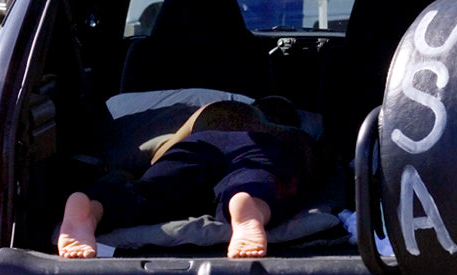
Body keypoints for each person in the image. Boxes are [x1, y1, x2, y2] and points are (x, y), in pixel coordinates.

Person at [57, 99, 317, 260]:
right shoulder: (291, 135)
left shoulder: (216, 111)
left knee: (152, 190)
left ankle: (93, 209)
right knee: (254, 179)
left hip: (201, 141)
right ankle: (247, 204)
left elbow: (161, 156)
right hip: (261, 149)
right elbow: (309, 170)